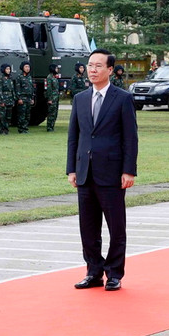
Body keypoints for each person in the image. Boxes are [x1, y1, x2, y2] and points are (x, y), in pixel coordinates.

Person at [66, 48, 138, 292]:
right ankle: (93, 271)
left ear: (110, 70)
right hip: (85, 172)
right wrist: (71, 169)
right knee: (88, 227)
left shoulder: (122, 98)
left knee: (116, 226)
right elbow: (74, 138)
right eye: (90, 65)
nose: (92, 70)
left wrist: (129, 171)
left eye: (98, 66)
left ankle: (114, 273)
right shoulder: (80, 99)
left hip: (112, 173)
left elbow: (130, 138)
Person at [0, 63, 16, 135]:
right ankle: (1, 131)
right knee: (2, 116)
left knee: (8, 116)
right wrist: (2, 100)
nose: (8, 70)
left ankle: (6, 130)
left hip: (10, 100)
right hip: (3, 100)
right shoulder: (1, 79)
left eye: (9, 69)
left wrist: (13, 99)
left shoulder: (10, 79)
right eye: (7, 69)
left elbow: (12, 90)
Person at [15, 61, 35, 134]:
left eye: (28, 67)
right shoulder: (19, 77)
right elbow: (17, 88)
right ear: (22, 68)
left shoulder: (29, 77)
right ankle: (21, 129)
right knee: (22, 114)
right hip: (22, 98)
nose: (27, 68)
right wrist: (19, 98)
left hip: (29, 98)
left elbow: (32, 88)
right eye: (26, 67)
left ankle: (25, 128)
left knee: (27, 115)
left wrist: (32, 98)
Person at [45, 64, 62, 132]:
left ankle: (52, 127)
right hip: (52, 98)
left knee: (55, 113)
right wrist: (49, 99)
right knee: (51, 113)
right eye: (56, 68)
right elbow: (49, 89)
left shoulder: (55, 77)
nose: (57, 70)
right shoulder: (49, 77)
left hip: (56, 98)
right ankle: (49, 127)